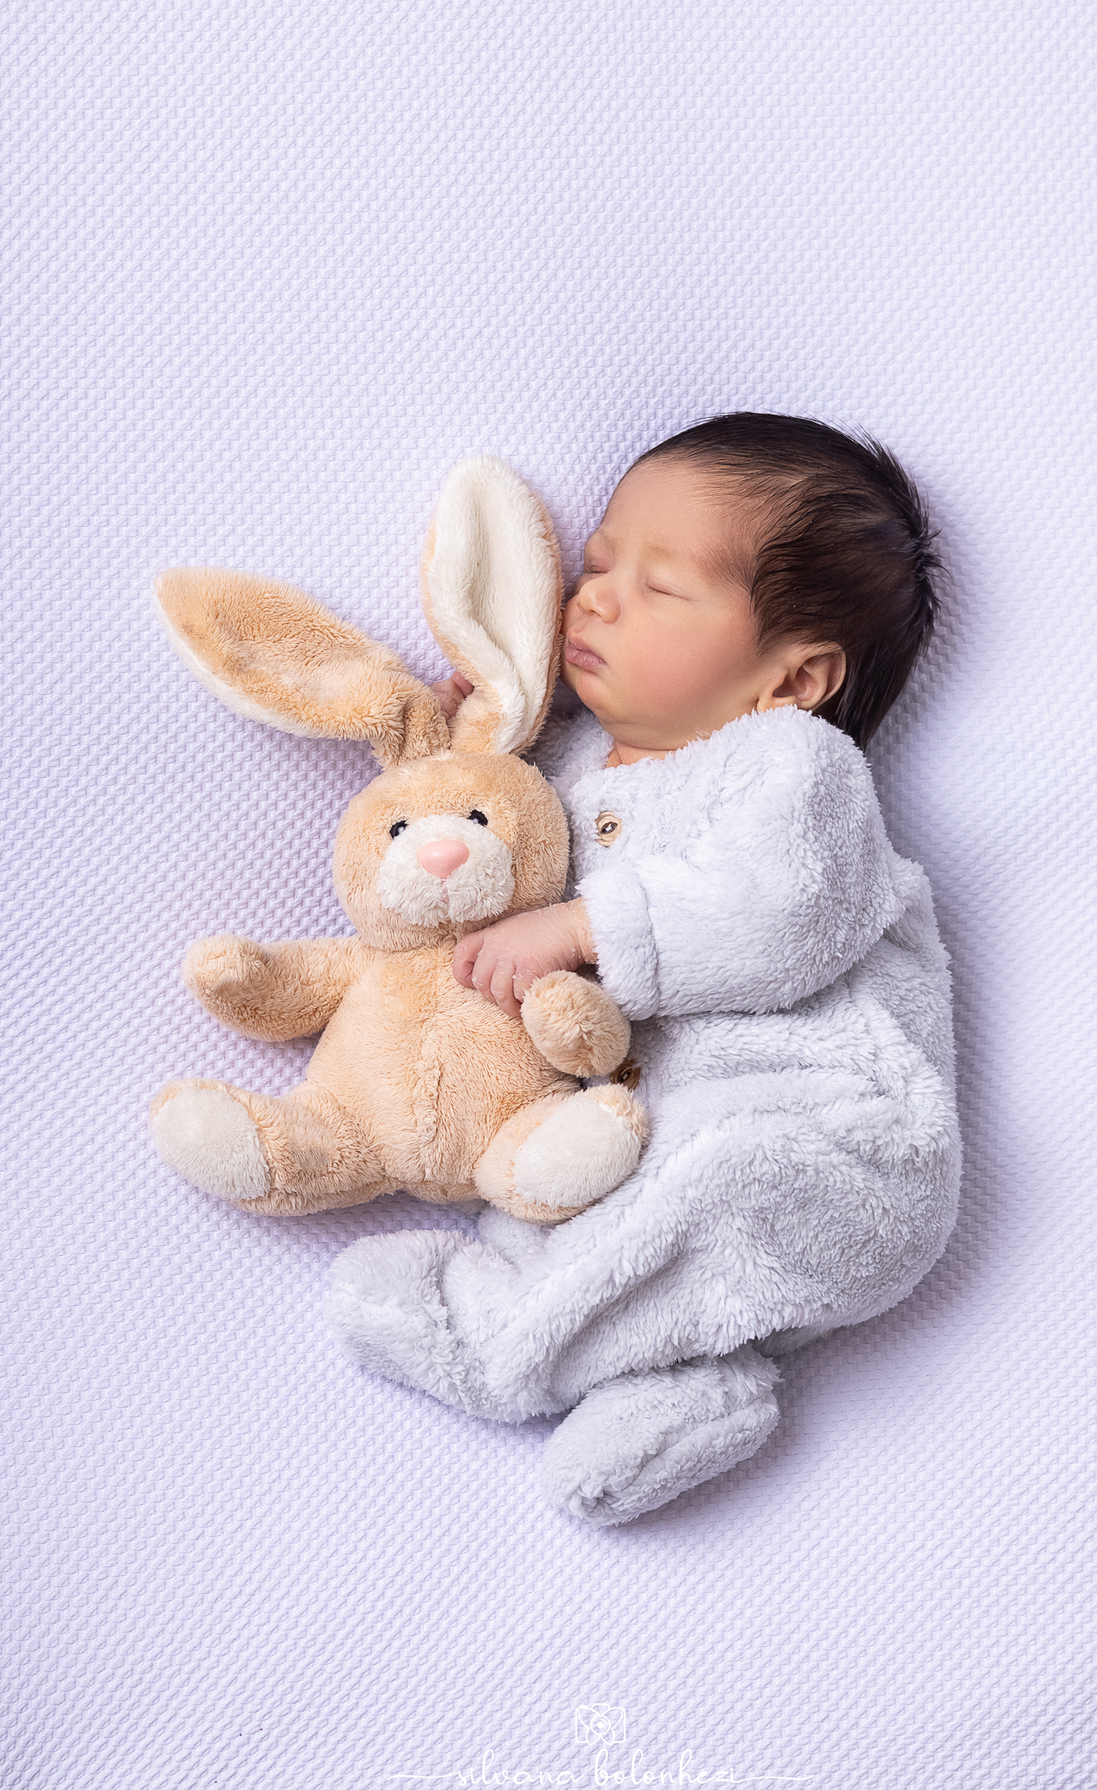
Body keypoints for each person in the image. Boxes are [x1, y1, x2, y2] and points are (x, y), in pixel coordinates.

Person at [327, 413, 961, 1526]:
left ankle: (500, 1350)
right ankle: (688, 1390)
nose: (596, 601)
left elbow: (787, 914)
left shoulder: (794, 767)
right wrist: (473, 755)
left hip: (834, 1146)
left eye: (661, 588)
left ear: (795, 678)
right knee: (580, 1202)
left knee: (713, 1181)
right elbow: (495, 871)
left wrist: (583, 929)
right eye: (596, 565)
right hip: (653, 1146)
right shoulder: (569, 767)